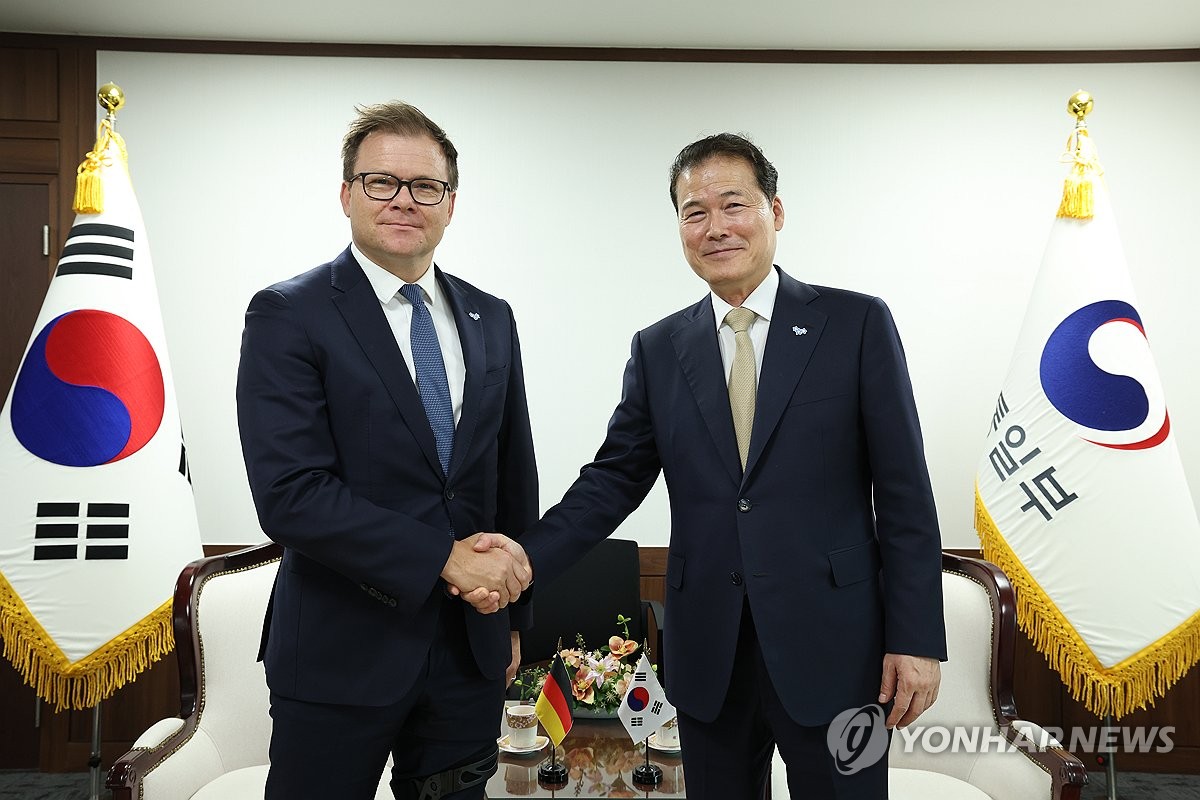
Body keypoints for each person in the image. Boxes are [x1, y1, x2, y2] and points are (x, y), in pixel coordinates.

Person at [467, 133, 946, 799]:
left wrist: (917, 638)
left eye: (734, 205)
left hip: (834, 644)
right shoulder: (661, 348)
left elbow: (904, 495)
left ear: (775, 210)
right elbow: (612, 480)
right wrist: (523, 555)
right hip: (708, 650)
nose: (715, 227)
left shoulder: (856, 324)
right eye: (694, 212)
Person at [235, 101, 537, 800]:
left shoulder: (492, 317)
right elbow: (291, 494)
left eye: (424, 186)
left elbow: (509, 476)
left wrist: (516, 615)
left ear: (450, 203)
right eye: (381, 182)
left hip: (470, 648)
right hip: (342, 649)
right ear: (346, 194)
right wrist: (441, 557)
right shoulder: (289, 313)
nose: (404, 199)